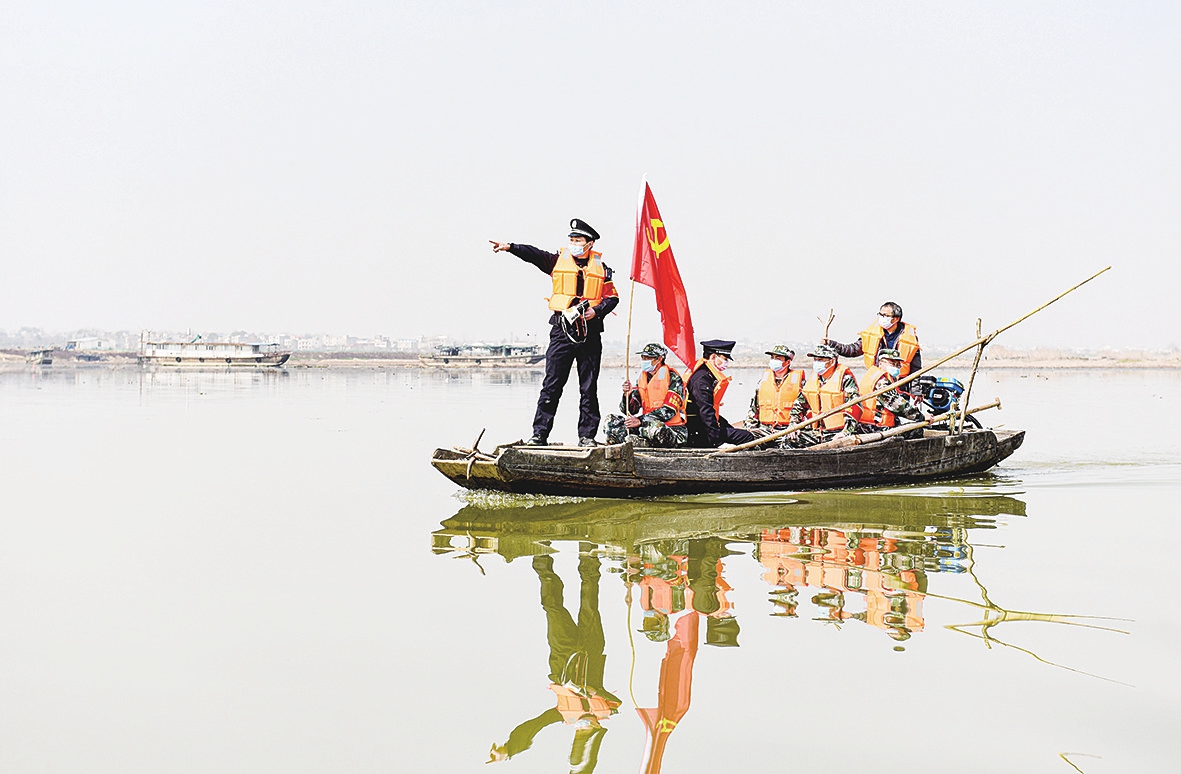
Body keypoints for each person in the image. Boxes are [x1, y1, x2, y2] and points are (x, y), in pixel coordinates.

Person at [490, 219, 620, 447]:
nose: (573, 244)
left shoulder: (603, 269)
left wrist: (596, 311)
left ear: (589, 243)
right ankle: (539, 434)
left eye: (578, 240)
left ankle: (587, 436)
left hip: (590, 334)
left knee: (588, 388)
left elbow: (612, 298)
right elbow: (534, 254)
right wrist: (510, 247)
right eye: (571, 240)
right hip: (562, 331)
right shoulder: (557, 261)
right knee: (552, 384)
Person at [488, 550, 621, 771]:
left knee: (552, 608)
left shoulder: (563, 714)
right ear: (597, 728)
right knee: (589, 599)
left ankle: (541, 556)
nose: (582, 727)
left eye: (580, 732)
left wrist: (509, 750)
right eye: (588, 729)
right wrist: (591, 691)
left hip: (562, 655)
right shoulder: (607, 708)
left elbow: (533, 726)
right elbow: (614, 702)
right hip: (591, 649)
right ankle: (588, 554)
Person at [604, 342, 688, 447]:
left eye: (648, 358)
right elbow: (630, 410)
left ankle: (642, 442)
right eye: (643, 357)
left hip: (670, 429)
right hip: (645, 426)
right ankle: (638, 441)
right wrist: (627, 395)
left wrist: (640, 420)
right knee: (611, 421)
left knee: (655, 427)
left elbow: (668, 411)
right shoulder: (642, 378)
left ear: (659, 359)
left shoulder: (673, 378)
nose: (644, 360)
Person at [684, 340, 757, 448]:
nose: (726, 363)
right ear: (713, 357)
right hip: (698, 430)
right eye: (725, 359)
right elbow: (705, 412)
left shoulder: (705, 373)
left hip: (701, 425)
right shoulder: (702, 380)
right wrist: (718, 443)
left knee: (732, 430)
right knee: (748, 437)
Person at [787, 343, 860, 447]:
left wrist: (846, 432)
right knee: (790, 439)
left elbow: (855, 406)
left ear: (832, 360)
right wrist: (793, 425)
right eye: (815, 359)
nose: (817, 362)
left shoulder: (845, 379)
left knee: (838, 447)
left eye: (821, 360)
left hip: (837, 432)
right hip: (817, 432)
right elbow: (799, 405)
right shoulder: (813, 380)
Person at [825, 301, 922, 376]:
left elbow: (915, 367)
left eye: (885, 315)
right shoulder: (871, 334)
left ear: (896, 319)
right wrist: (832, 344)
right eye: (880, 314)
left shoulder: (910, 339)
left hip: (900, 384)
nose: (882, 318)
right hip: (877, 381)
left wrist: (916, 391)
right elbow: (852, 350)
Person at [854, 347, 924, 434]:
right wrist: (921, 417)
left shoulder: (874, 374)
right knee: (917, 430)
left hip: (869, 424)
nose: (896, 367)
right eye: (892, 363)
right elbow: (898, 405)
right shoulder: (881, 381)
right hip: (874, 427)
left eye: (898, 364)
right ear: (881, 363)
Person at [745, 345, 805, 443]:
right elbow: (754, 409)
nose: (773, 360)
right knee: (746, 439)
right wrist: (749, 428)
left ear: (788, 362)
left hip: (787, 429)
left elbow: (802, 408)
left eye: (778, 358)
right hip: (765, 429)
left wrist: (794, 425)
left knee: (790, 442)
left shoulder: (799, 382)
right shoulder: (763, 382)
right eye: (772, 358)